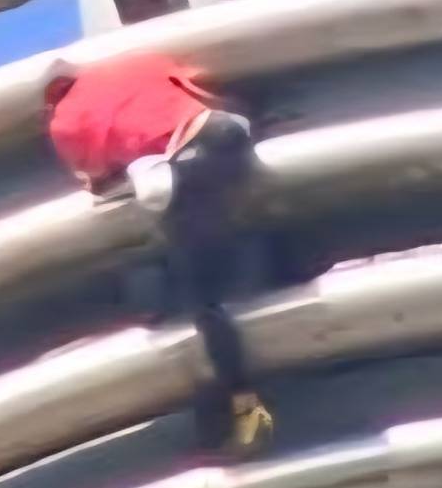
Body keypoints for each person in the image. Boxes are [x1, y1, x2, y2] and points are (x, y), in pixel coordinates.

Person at [45, 52, 273, 454]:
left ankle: (245, 404)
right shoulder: (135, 63)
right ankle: (278, 266)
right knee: (233, 223)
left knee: (201, 296)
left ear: (53, 98)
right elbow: (201, 85)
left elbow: (97, 179)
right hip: (227, 132)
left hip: (190, 165)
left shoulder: (64, 120)